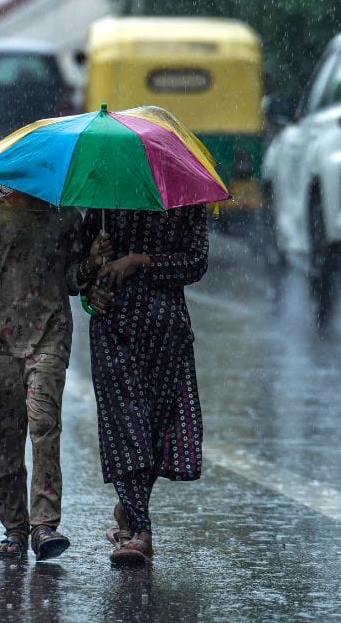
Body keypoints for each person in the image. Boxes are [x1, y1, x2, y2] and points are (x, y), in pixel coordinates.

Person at [0, 188, 110, 560]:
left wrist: (92, 262)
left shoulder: (68, 216)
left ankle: (44, 525)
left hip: (50, 336)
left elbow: (72, 281)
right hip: (2, 339)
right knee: (6, 435)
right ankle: (15, 528)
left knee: (44, 424)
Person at [78, 205, 209, 567]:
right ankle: (141, 531)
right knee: (126, 425)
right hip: (113, 326)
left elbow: (196, 263)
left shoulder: (184, 202)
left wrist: (140, 260)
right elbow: (77, 273)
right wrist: (93, 268)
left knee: (153, 429)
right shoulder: (107, 196)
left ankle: (129, 509)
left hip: (166, 330)